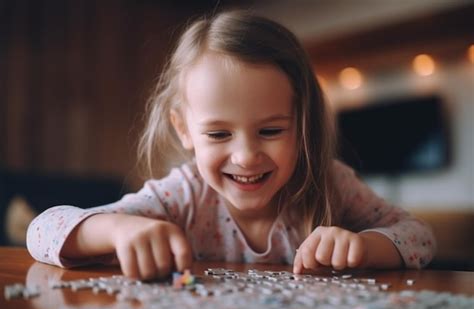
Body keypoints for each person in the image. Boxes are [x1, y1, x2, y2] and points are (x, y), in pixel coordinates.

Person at [26, 10, 436, 280]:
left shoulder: (330, 182)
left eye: (271, 131)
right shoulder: (182, 195)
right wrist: (115, 228)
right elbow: (40, 232)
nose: (245, 156)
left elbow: (420, 236)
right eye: (219, 134)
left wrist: (366, 247)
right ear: (184, 130)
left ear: (303, 123)